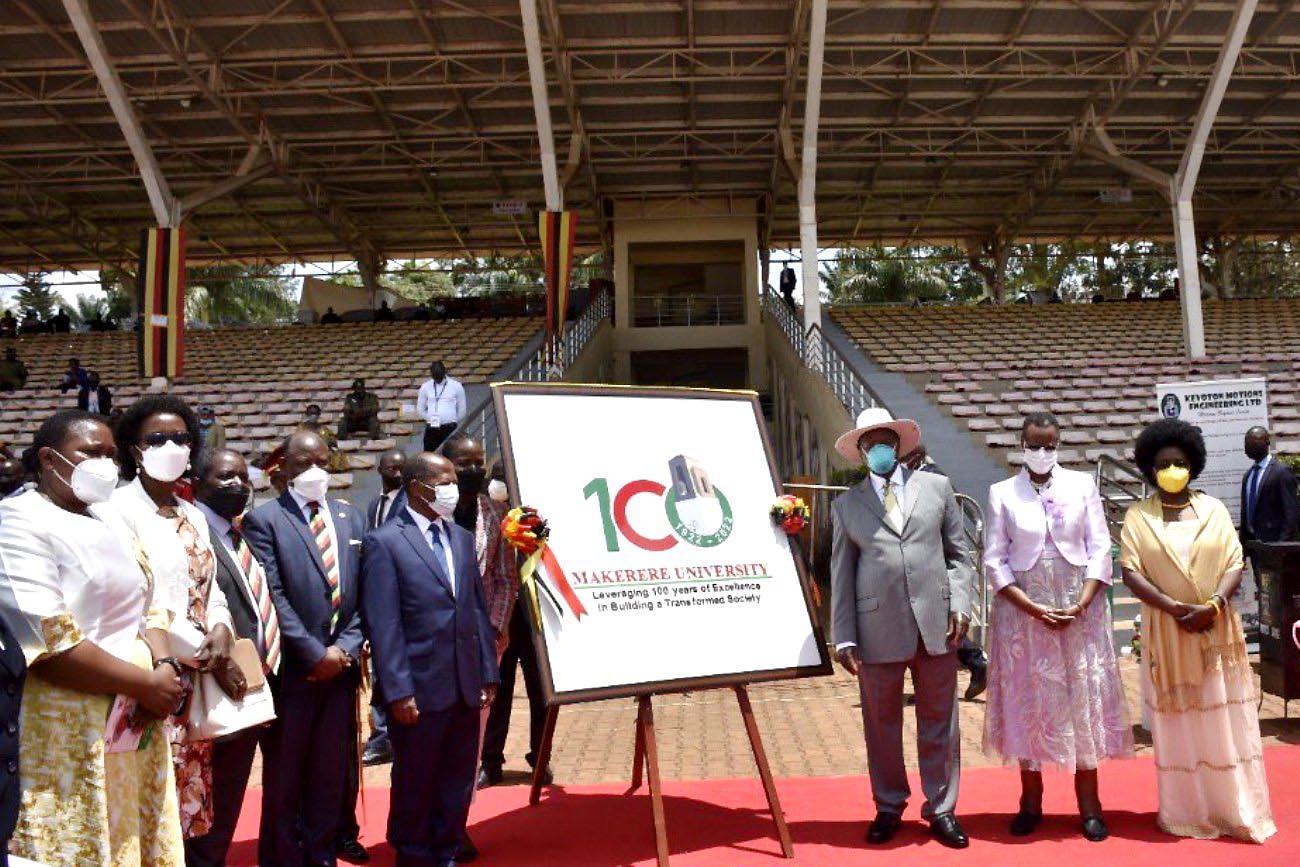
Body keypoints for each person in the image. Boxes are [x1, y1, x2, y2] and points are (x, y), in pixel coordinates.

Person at [0, 409, 185, 865]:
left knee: (133, 839)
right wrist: (144, 684)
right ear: (48, 458)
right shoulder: (18, 521)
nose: (107, 463)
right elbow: (50, 640)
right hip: (68, 720)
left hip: (136, 716)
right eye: (91, 452)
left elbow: (151, 599)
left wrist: (162, 667)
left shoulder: (111, 517)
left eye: (111, 454)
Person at [1118, 419, 1275, 843]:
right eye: (1164, 463)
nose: (1173, 470)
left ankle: (1234, 809)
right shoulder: (1137, 516)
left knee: (1221, 720)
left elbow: (1234, 563)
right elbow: (1130, 570)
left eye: (1181, 463)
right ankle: (1186, 812)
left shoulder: (1214, 509)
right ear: (1151, 468)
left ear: (1194, 465)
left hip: (1216, 633)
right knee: (1182, 725)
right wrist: (1173, 608)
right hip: (1168, 634)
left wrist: (1213, 605)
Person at [982, 413, 1132, 841]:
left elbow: (1102, 546)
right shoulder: (1001, 493)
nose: (1042, 452)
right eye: (1035, 444)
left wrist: (1083, 601)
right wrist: (1030, 607)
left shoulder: (1083, 485)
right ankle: (1030, 803)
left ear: (1059, 445)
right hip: (1023, 613)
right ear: (1021, 444)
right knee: (1030, 703)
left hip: (1079, 609)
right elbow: (994, 558)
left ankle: (1090, 804)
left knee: (1080, 701)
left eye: (1050, 445)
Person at [830, 407, 974, 849]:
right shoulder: (847, 504)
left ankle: (943, 808)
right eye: (871, 443)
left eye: (886, 441)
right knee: (881, 725)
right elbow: (841, 572)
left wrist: (962, 605)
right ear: (860, 451)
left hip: (937, 626)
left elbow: (959, 554)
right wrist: (844, 635)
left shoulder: (936, 488)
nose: (880, 449)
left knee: (940, 722)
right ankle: (889, 806)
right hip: (876, 630)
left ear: (899, 444)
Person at [110, 396, 245, 843]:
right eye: (157, 439)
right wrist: (206, 655)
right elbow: (139, 598)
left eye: (181, 438)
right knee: (152, 805)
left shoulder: (191, 513)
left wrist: (223, 631)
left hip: (198, 682)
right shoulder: (116, 511)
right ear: (135, 450)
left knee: (192, 802)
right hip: (154, 677)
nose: (172, 446)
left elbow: (210, 589)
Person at [361, 451, 499, 867]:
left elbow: (474, 608)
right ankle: (414, 851)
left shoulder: (458, 537)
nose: (453, 488)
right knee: (416, 778)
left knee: (456, 779)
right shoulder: (385, 541)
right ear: (419, 487)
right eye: (445, 481)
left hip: (463, 683)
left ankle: (446, 849)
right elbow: (384, 624)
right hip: (418, 689)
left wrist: (488, 671)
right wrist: (398, 691)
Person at [243, 429, 367, 867]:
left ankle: (320, 855)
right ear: (285, 469)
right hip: (295, 672)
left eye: (320, 462)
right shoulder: (266, 520)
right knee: (286, 775)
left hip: (341, 671)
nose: (313, 471)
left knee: (329, 775)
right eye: (302, 464)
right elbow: (272, 595)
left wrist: (345, 649)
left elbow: (362, 594)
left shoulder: (351, 516)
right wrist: (314, 653)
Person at [186, 447, 282, 867]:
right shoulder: (192, 536)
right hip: (212, 684)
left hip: (255, 686)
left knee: (229, 794)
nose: (239, 486)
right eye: (226, 478)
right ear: (197, 483)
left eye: (244, 477)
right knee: (206, 796)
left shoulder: (242, 533)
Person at [900, 443, 988, 700]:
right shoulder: (915, 477)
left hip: (934, 564)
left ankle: (974, 663)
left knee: (938, 628)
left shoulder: (934, 477)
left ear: (915, 456)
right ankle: (971, 664)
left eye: (902, 457)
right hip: (920, 564)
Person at [1241, 426, 1299, 545]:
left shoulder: (1281, 472)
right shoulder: (1248, 476)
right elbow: (1245, 515)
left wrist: (1280, 546)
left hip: (1275, 547)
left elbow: (1291, 514)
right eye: (1247, 442)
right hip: (1255, 547)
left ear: (1267, 442)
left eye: (1254, 441)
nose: (1249, 445)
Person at [416, 362, 466, 452]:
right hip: (432, 428)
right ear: (431, 374)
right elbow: (420, 409)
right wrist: (431, 419)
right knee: (430, 456)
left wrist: (451, 420)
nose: (437, 379)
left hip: (449, 428)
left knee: (450, 453)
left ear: (444, 372)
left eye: (439, 376)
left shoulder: (456, 386)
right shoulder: (425, 387)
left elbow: (462, 410)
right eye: (435, 377)